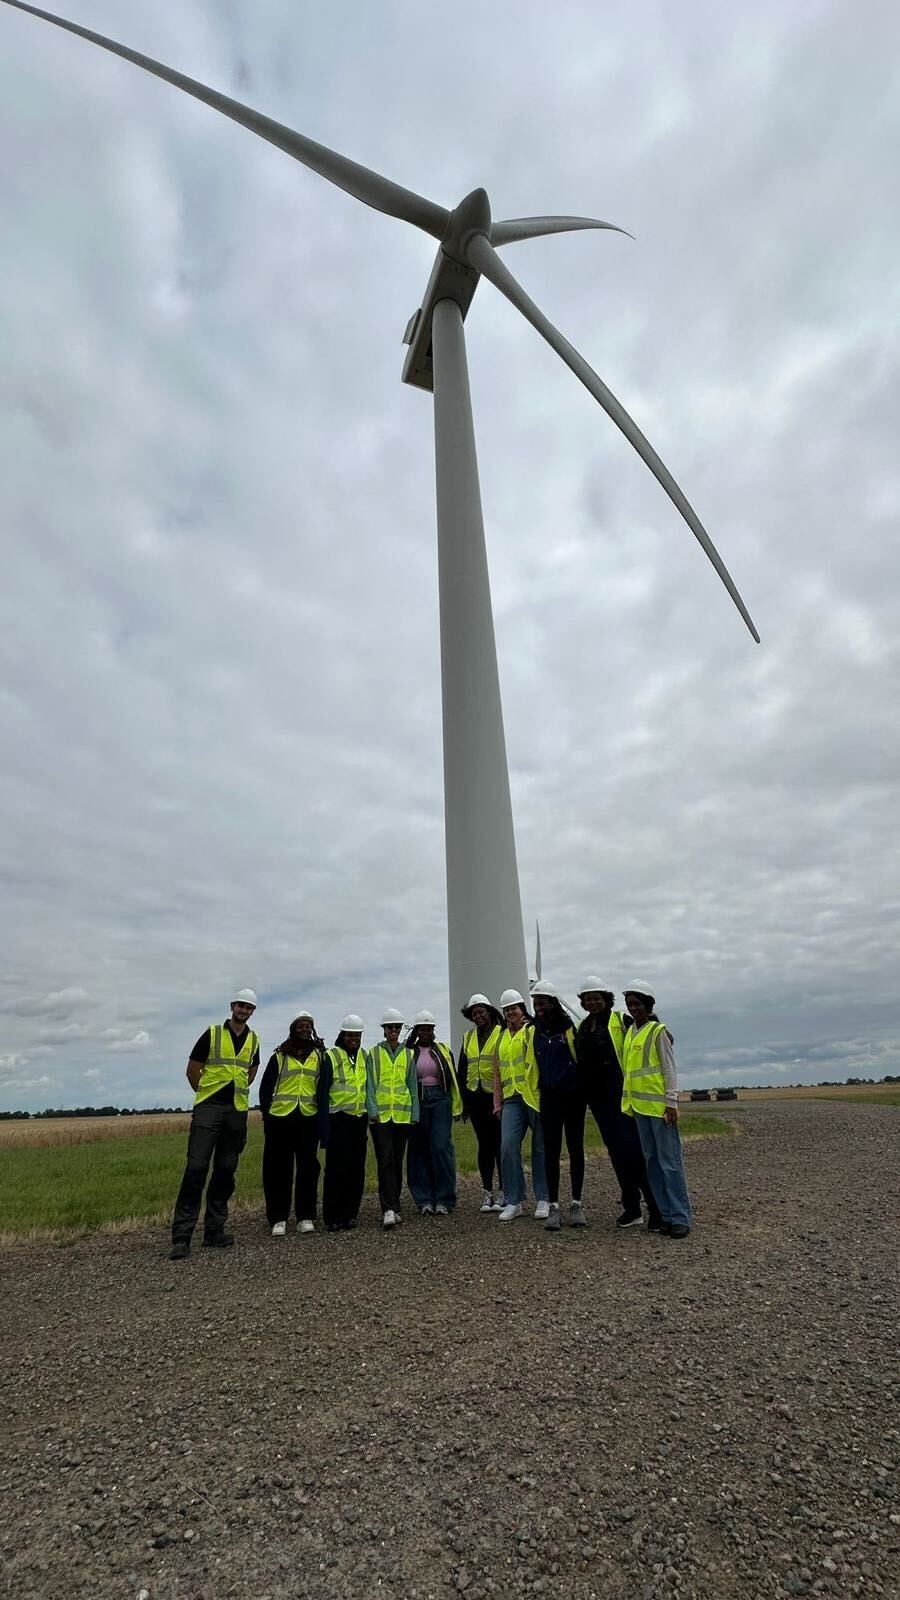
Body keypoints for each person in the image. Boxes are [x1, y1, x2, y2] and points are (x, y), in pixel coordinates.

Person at [169, 988, 260, 1261]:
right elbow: (192, 1069)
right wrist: (205, 1096)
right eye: (240, 1005)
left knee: (225, 1170)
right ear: (232, 1006)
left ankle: (214, 1231)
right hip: (209, 1109)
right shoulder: (212, 1033)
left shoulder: (254, 1040)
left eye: (249, 1007)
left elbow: (251, 1072)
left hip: (236, 1111)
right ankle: (182, 1237)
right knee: (196, 1169)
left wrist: (235, 1096)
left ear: (252, 1012)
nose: (243, 1010)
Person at [576, 977, 663, 1231]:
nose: (592, 1001)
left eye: (596, 997)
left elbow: (647, 1030)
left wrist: (662, 1031)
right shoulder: (583, 1026)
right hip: (598, 1102)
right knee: (616, 1154)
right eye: (587, 998)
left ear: (605, 998)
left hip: (622, 1098)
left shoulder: (620, 1020)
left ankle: (655, 1208)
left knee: (634, 1153)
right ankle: (631, 1207)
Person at [621, 982, 692, 1238]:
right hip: (640, 1108)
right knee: (652, 1163)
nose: (633, 1009)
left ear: (648, 1006)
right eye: (630, 1005)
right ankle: (664, 1216)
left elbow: (668, 1069)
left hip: (660, 1109)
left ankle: (681, 1218)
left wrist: (672, 1102)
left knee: (670, 1164)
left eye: (637, 1004)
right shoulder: (631, 1033)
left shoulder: (657, 1031)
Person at [258, 1011, 327, 1237]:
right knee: (278, 1169)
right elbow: (265, 1088)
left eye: (308, 1025)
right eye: (301, 1025)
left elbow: (323, 1086)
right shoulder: (280, 1055)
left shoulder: (319, 1055)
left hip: (308, 1118)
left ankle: (305, 1216)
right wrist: (268, 1116)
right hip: (280, 1119)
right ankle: (278, 1218)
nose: (305, 1029)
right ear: (293, 1028)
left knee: (308, 1168)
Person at [531, 981, 586, 1231]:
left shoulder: (570, 1030)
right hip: (549, 1098)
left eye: (542, 1002)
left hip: (573, 1097)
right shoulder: (535, 1031)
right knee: (551, 1152)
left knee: (576, 1149)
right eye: (535, 1003)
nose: (538, 1007)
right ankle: (553, 1205)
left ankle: (576, 1203)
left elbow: (582, 1061)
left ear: (553, 1003)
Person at [492, 989, 549, 1223]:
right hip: (512, 1099)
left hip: (533, 1096)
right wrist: (497, 1102)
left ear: (522, 1010)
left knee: (540, 1148)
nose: (510, 1013)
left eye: (514, 1009)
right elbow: (497, 1073)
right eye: (506, 1010)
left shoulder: (533, 1030)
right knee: (507, 1148)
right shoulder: (501, 1038)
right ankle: (514, 1201)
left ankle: (544, 1198)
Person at [405, 1010, 462, 1216]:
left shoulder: (444, 1050)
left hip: (440, 1099)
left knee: (441, 1147)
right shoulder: (408, 1052)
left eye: (429, 1028)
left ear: (433, 1030)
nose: (426, 1032)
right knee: (418, 1150)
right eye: (422, 1029)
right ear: (417, 1031)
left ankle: (444, 1199)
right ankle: (424, 1200)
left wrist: (457, 1106)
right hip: (417, 1101)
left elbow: (453, 1080)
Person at [367, 1009, 419, 1230]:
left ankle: (395, 1206)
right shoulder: (374, 1054)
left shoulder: (408, 1054)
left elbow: (412, 1086)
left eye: (397, 1027)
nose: (394, 1031)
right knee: (385, 1160)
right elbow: (370, 1084)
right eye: (390, 1027)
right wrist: (371, 1110)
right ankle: (387, 1208)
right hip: (380, 1117)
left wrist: (415, 1113)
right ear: (384, 1030)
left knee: (397, 1161)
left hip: (402, 1115)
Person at [321, 1014, 369, 1231]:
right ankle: (332, 1217)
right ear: (342, 1035)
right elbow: (322, 1094)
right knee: (335, 1170)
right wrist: (324, 1128)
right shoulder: (331, 1056)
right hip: (337, 1119)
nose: (354, 1039)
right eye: (350, 1035)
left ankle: (350, 1214)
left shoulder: (363, 1057)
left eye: (357, 1035)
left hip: (359, 1120)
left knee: (356, 1170)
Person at [458, 993, 504, 1212]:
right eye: (474, 1013)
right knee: (484, 1146)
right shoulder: (467, 1038)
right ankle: (487, 1192)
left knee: (501, 1145)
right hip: (475, 1099)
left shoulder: (502, 1033)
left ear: (489, 1011)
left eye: (481, 1011)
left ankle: (504, 1191)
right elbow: (462, 1070)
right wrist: (464, 1103)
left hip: (496, 1098)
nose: (478, 1016)